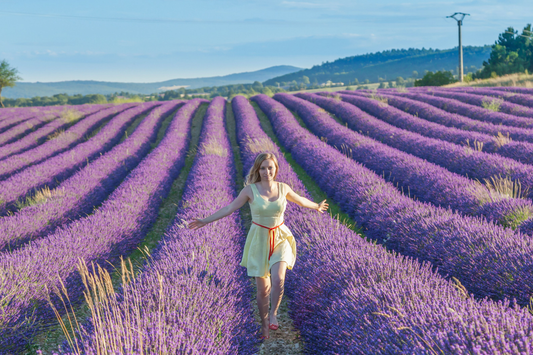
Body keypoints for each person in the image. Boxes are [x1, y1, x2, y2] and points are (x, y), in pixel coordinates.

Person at [188, 153, 328, 339]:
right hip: (259, 240)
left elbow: (301, 200)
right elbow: (229, 208)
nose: (266, 171)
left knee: (278, 279)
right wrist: (205, 220)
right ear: (257, 169)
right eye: (262, 168)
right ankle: (264, 324)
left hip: (280, 237)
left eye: (270, 167)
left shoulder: (283, 188)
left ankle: (274, 313)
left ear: (276, 169)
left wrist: (316, 206)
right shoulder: (249, 190)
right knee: (262, 290)